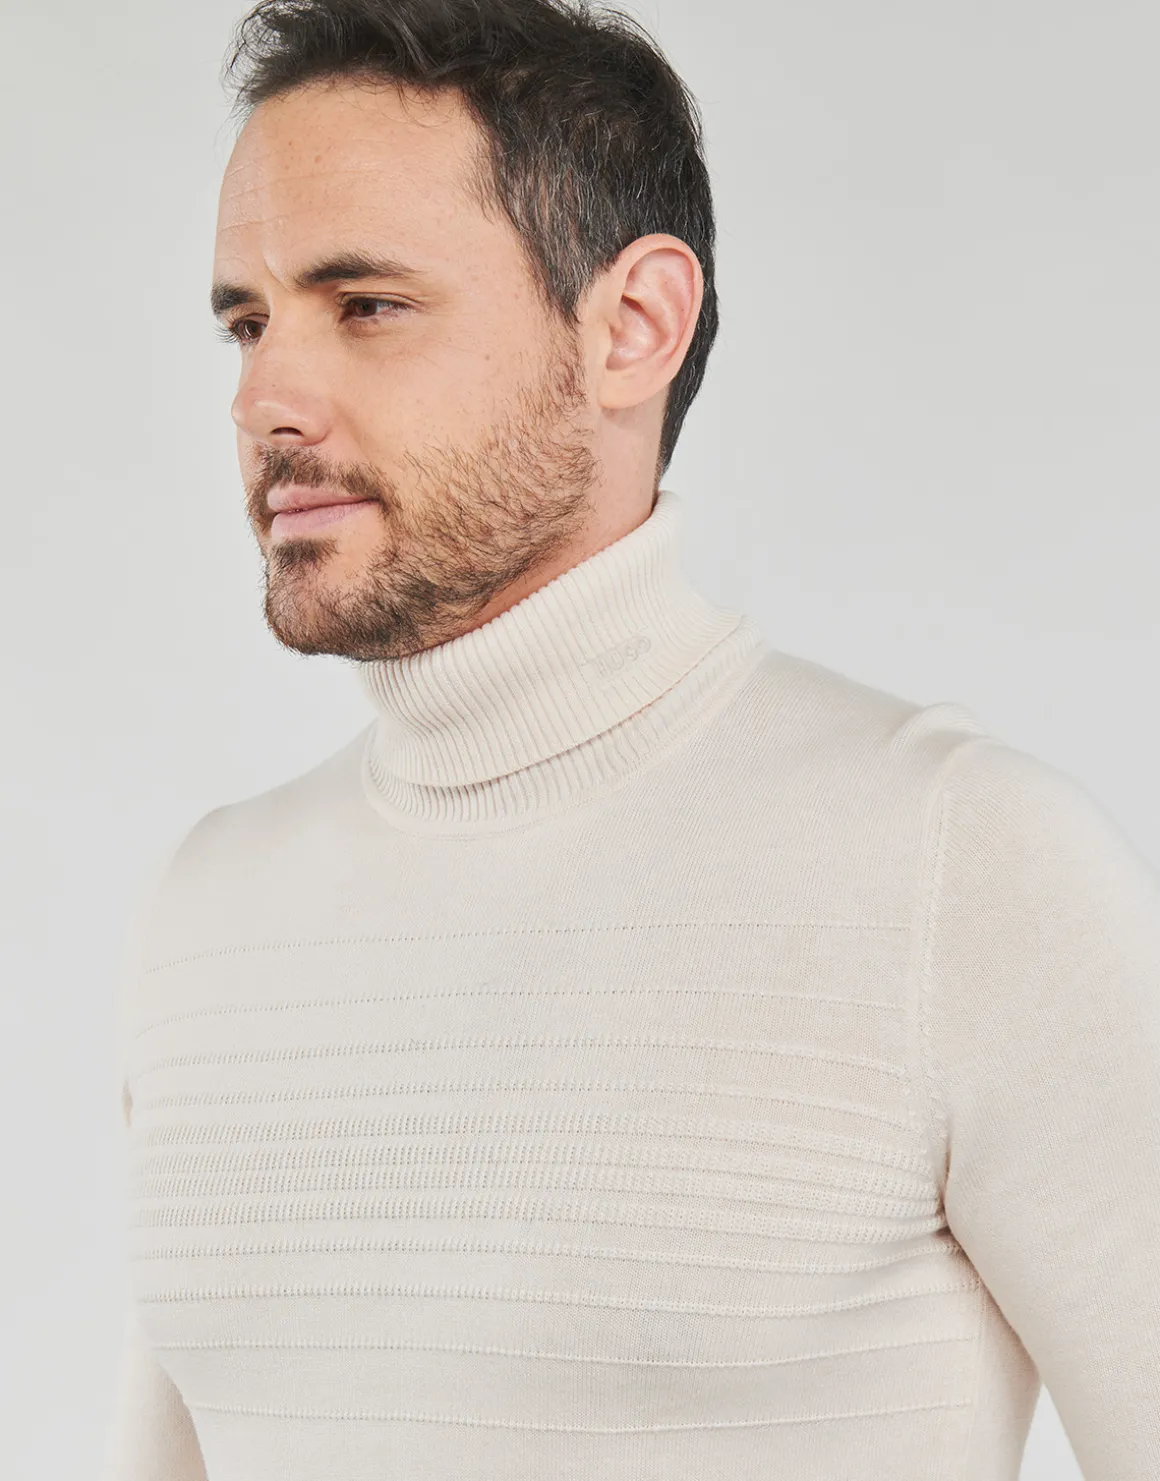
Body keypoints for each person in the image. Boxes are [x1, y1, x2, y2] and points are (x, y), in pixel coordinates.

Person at [101, 1, 1160, 1478]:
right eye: (247, 321)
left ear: (633, 328)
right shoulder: (207, 910)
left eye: (369, 305)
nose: (263, 398)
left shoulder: (960, 865)